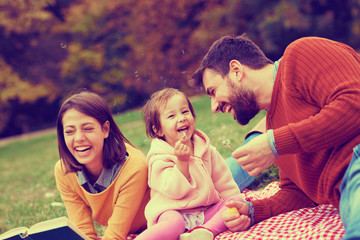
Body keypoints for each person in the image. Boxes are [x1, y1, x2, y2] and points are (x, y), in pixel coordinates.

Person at [191, 34, 360, 239]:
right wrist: (254, 211)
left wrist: (275, 143)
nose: (214, 107)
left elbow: (354, 104)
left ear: (236, 70)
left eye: (213, 91)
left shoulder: (300, 55)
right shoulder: (273, 124)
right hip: (347, 194)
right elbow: (299, 192)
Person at [136, 88, 245, 240]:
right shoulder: (158, 158)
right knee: (174, 224)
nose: (181, 118)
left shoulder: (206, 150)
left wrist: (234, 204)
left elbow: (224, 182)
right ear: (158, 130)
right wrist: (182, 162)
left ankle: (204, 232)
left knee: (237, 201)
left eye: (185, 112)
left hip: (205, 212)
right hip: (172, 211)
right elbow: (173, 190)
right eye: (171, 115)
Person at [54, 90, 150, 240]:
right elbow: (83, 232)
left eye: (88, 128)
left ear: (105, 129)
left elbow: (115, 236)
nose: (78, 138)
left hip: (156, 227)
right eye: (70, 131)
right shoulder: (64, 171)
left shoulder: (134, 166)